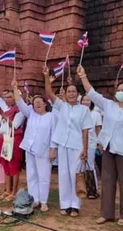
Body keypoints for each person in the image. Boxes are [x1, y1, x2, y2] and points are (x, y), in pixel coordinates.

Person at [77, 65, 123, 226]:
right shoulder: (109, 105)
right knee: (107, 182)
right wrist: (83, 76)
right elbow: (92, 93)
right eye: (119, 89)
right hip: (108, 148)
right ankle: (106, 213)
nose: (120, 92)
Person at [44, 67, 93, 217]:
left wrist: (85, 149)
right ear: (65, 94)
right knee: (63, 175)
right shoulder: (61, 106)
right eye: (69, 91)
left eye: (73, 91)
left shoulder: (84, 110)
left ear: (78, 94)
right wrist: (46, 77)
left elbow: (85, 131)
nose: (71, 93)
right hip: (63, 145)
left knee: (75, 175)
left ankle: (75, 205)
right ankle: (65, 204)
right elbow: (49, 93)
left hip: (77, 146)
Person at [14, 83, 55, 212]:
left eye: (39, 102)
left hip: (43, 151)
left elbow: (54, 134)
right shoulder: (31, 113)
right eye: (35, 102)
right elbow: (19, 102)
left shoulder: (51, 117)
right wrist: (15, 88)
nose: (37, 104)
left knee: (43, 176)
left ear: (45, 103)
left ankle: (43, 201)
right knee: (31, 175)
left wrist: (53, 149)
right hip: (29, 148)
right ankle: (34, 199)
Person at [0, 79, 25, 201]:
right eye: (6, 97)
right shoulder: (6, 111)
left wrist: (3, 115)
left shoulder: (20, 111)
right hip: (4, 140)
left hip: (14, 140)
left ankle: (13, 191)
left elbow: (14, 125)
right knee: (6, 164)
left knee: (14, 166)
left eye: (10, 97)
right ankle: (7, 190)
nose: (7, 99)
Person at [81, 96, 102, 199]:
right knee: (80, 167)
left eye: (88, 100)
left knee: (90, 166)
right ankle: (81, 189)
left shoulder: (96, 115)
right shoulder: (78, 113)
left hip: (91, 144)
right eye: (84, 100)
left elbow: (98, 130)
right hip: (78, 144)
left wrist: (100, 143)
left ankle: (93, 190)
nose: (85, 102)